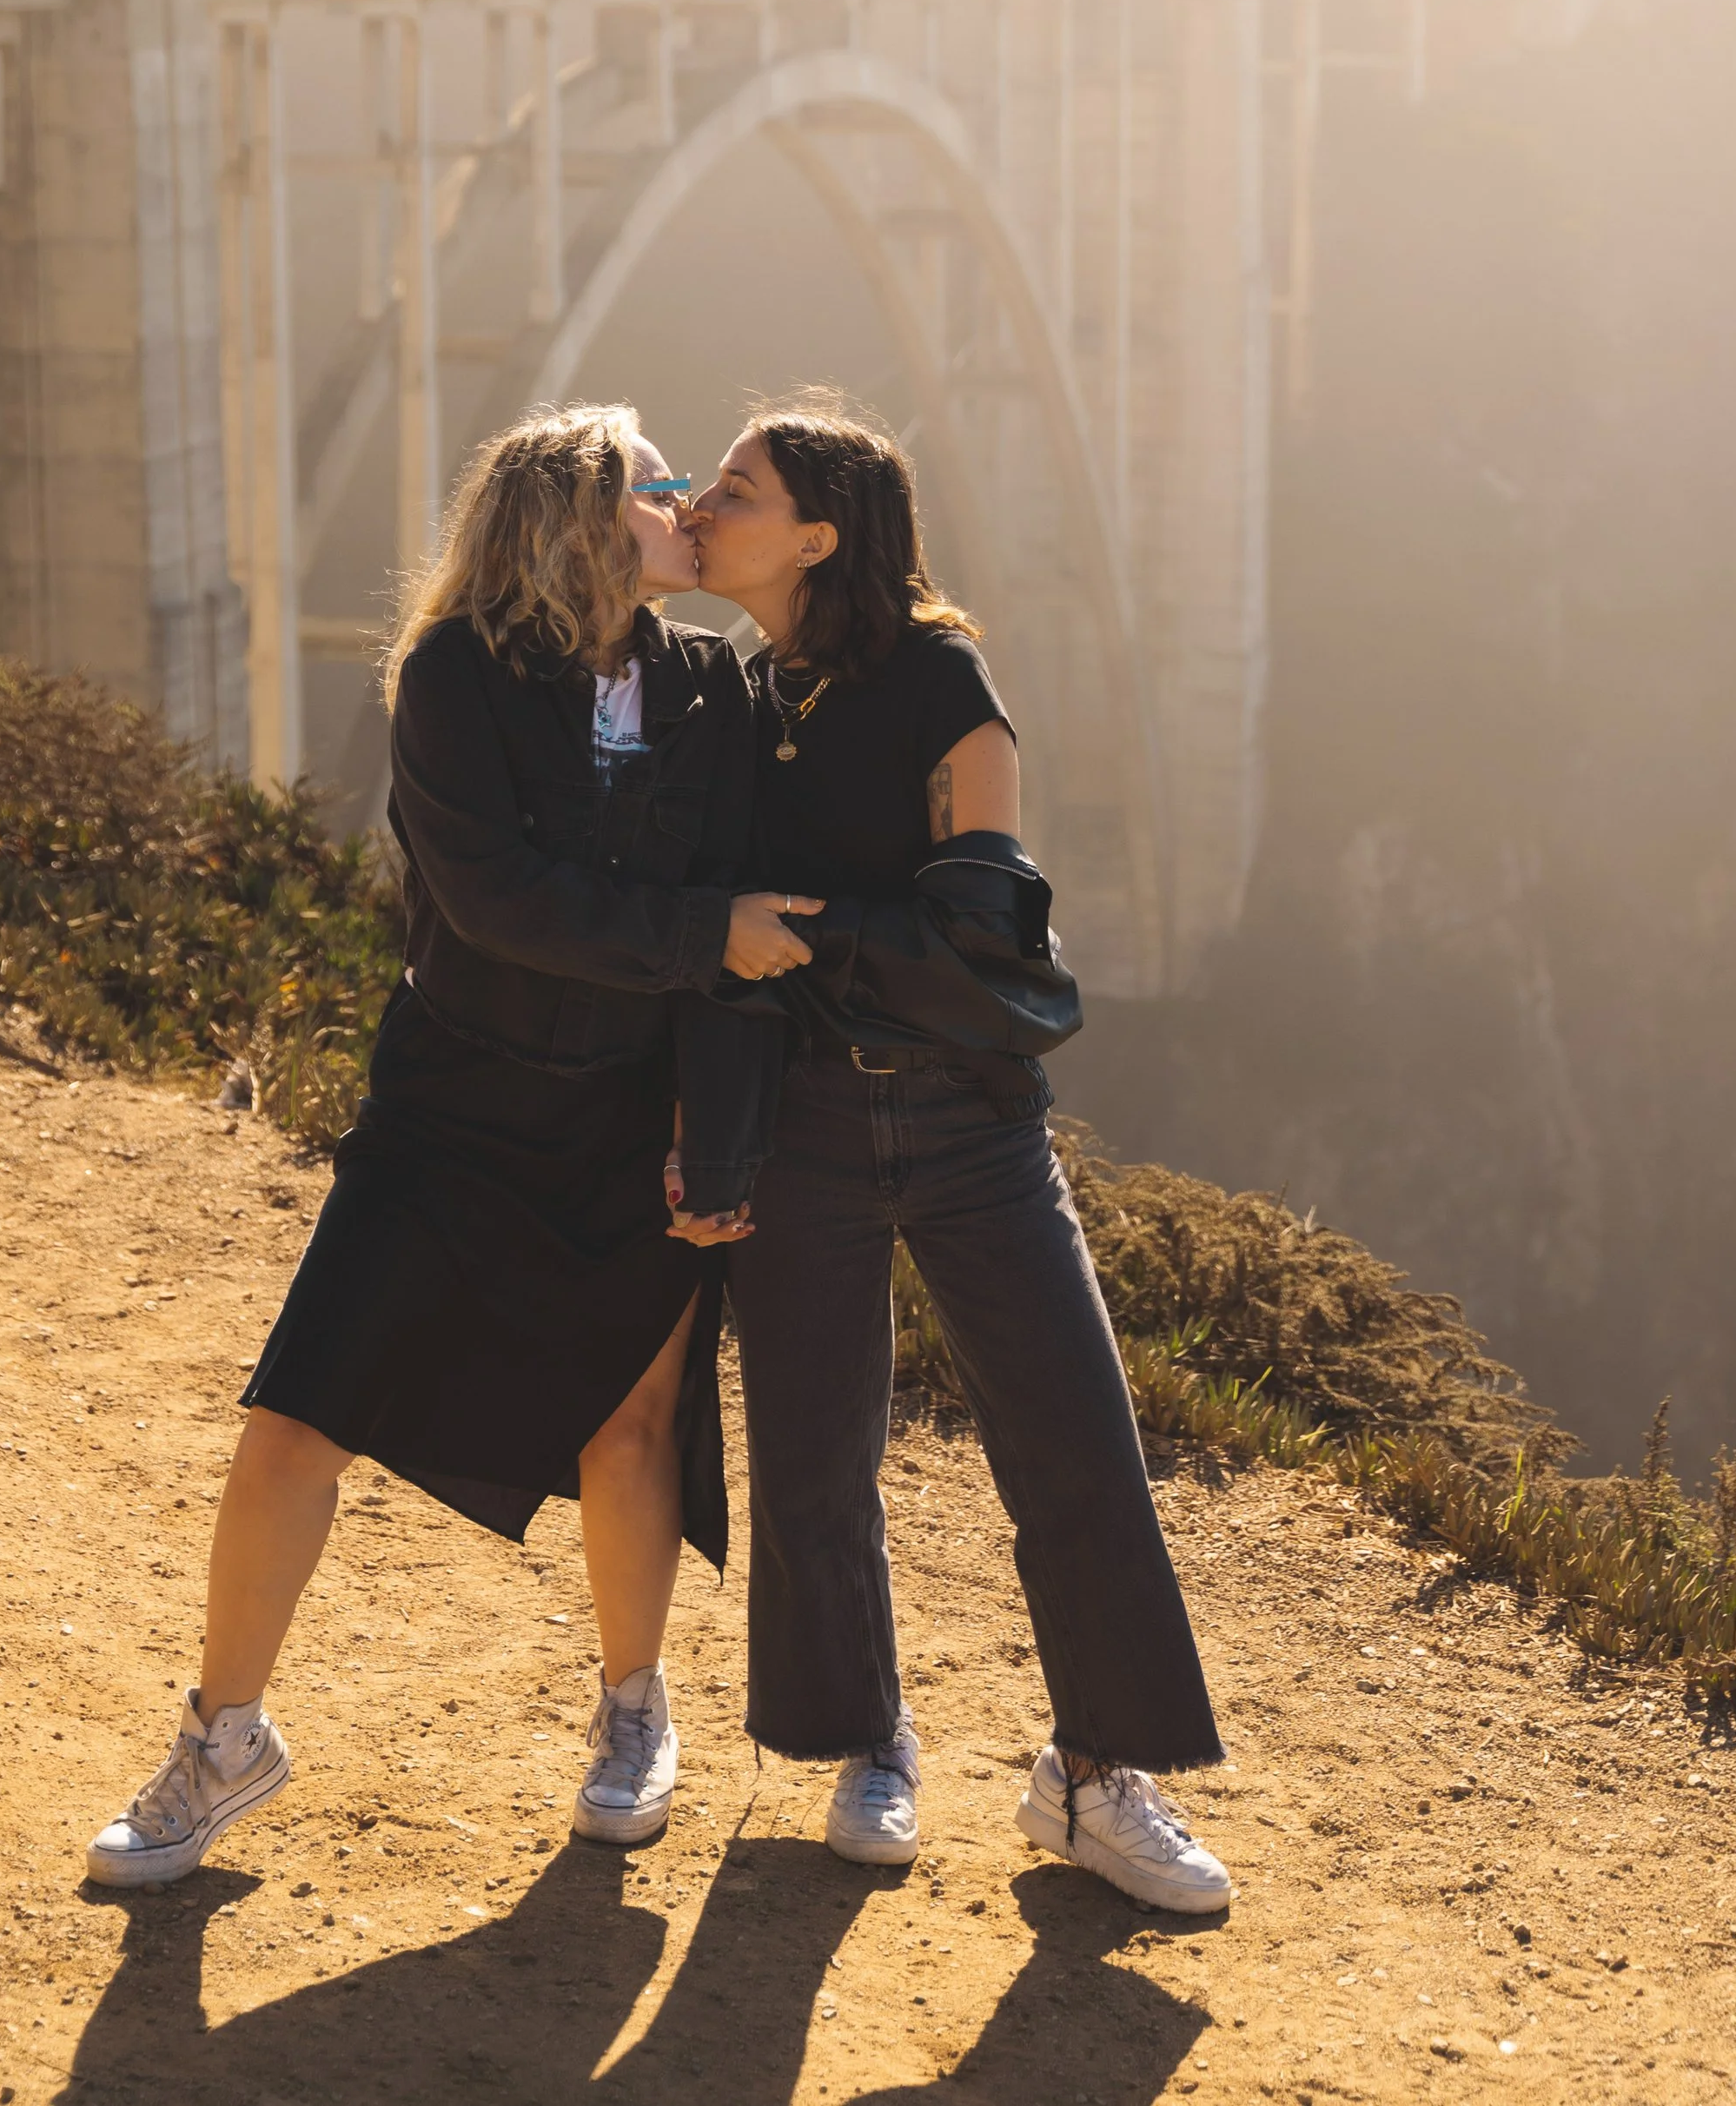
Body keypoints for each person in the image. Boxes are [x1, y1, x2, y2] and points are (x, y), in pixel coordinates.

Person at [83, 404, 819, 1888]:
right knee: (299, 1414)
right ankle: (223, 1738)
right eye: (652, 486)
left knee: (632, 1425)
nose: (683, 504)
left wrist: (715, 1138)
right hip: (454, 1102)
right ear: (576, 521)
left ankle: (631, 1709)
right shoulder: (454, 678)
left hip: (630, 1115)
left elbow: (754, 905)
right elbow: (498, 901)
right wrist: (701, 937)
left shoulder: (716, 693)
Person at [686, 403, 1232, 1916]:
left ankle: (1096, 1776)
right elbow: (704, 934)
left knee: (1072, 1437)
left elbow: (981, 946)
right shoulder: (730, 695)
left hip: (964, 1119)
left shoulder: (940, 678)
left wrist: (799, 937)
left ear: (819, 535)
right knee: (810, 1455)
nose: (699, 496)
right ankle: (865, 1740)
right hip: (794, 1124)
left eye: (736, 486)